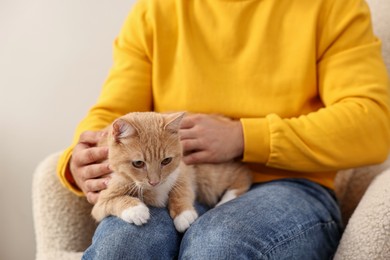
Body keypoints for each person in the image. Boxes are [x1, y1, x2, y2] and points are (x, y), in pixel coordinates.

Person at [57, 0, 390, 258]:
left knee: (219, 245)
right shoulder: (156, 9)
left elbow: (372, 123)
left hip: (290, 185)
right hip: (174, 181)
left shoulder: (332, 6)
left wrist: (243, 137)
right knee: (123, 247)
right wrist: (82, 158)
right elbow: (113, 114)